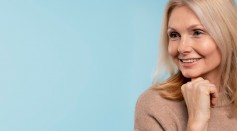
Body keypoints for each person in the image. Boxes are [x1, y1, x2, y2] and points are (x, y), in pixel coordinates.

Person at [134, 0, 237, 131]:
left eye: (197, 32)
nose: (182, 48)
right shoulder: (155, 106)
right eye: (174, 35)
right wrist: (196, 123)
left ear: (228, 35)